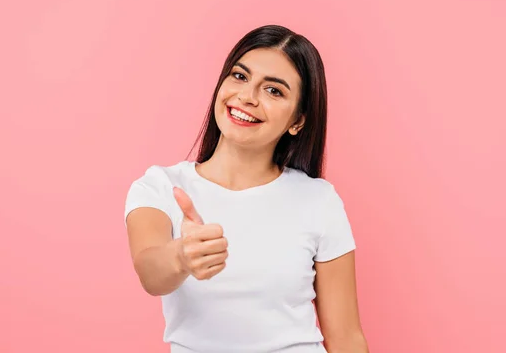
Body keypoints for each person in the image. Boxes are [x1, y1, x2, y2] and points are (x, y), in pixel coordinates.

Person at [124, 24, 369, 352]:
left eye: (274, 91)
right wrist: (181, 256)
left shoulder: (319, 200)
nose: (247, 97)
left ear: (298, 121)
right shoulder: (160, 187)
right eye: (240, 76)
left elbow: (346, 338)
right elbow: (150, 274)